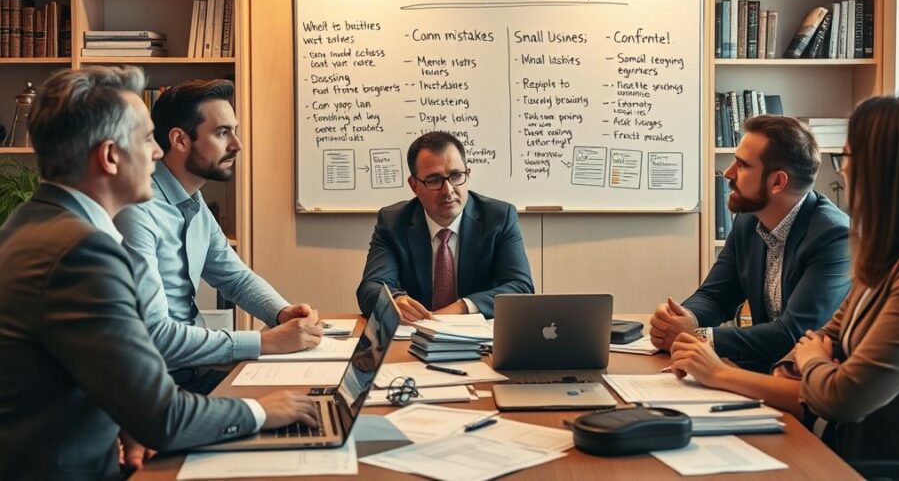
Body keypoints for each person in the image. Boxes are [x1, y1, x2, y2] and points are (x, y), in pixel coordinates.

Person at [0, 67, 315, 480]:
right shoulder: (84, 250)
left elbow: (85, 364)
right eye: (147, 139)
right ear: (111, 156)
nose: (157, 153)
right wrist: (262, 410)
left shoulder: (32, 224)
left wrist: (127, 419)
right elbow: (165, 416)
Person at [671, 93, 899, 473]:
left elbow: (842, 395)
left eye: (848, 159)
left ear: (887, 172)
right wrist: (806, 364)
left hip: (890, 468)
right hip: (841, 448)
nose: (843, 171)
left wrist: (724, 373)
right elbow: (806, 347)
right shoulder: (890, 255)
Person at [115, 79, 321, 394]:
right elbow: (154, 336)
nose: (237, 144)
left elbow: (235, 278)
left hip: (195, 371)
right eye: (222, 133)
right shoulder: (137, 211)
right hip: (155, 386)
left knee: (313, 400)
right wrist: (263, 342)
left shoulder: (193, 202)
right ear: (180, 140)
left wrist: (282, 312)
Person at [650, 115, 851, 372]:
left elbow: (793, 334)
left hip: (805, 386)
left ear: (778, 182)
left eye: (742, 165)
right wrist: (682, 319)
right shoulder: (748, 221)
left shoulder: (834, 237)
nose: (728, 173)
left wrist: (698, 336)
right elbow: (715, 296)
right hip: (759, 375)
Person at [357, 131, 534, 320]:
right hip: (415, 338)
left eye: (456, 176)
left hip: (479, 341)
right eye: (434, 180)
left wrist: (462, 306)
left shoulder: (499, 218)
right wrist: (394, 299)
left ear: (468, 174)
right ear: (414, 185)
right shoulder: (393, 222)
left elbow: (520, 287)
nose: (448, 190)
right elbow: (371, 287)